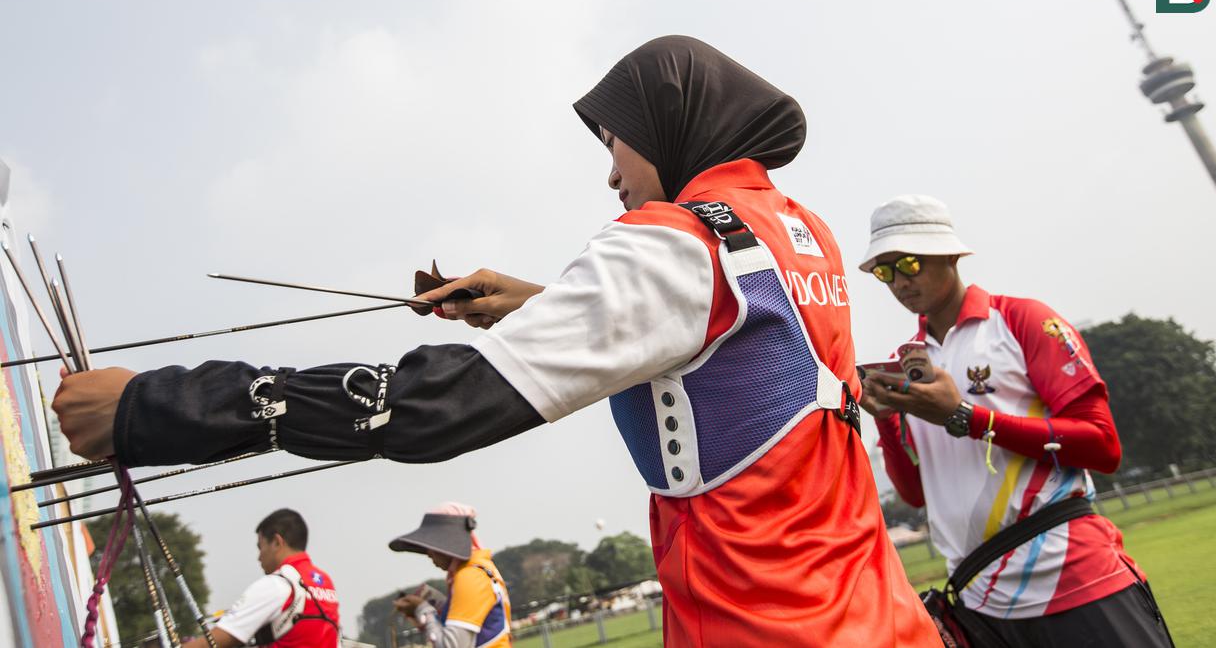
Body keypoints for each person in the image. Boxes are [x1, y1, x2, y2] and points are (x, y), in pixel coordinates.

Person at [51, 36, 939, 646]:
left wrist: (148, 408)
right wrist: (535, 305)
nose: (611, 170)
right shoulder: (793, 230)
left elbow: (426, 408)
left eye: (616, 142)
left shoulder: (673, 239)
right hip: (880, 622)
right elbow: (743, 361)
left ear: (670, 122)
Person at [859, 194, 1173, 647]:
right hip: (981, 601)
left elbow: (1103, 446)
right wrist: (888, 420)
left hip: (1071, 573)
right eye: (885, 272)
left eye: (908, 263)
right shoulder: (908, 363)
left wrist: (966, 417)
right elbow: (914, 493)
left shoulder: (1021, 320)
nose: (898, 282)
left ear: (949, 253)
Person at [183, 509, 340, 648]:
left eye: (260, 546)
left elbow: (214, 641)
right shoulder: (325, 582)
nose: (259, 557)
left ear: (277, 542)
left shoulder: (277, 584)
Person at [389, 502, 511, 648]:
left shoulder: (470, 577)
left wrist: (422, 609)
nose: (428, 553)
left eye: (432, 545)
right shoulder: (478, 570)